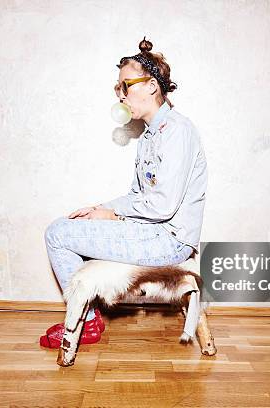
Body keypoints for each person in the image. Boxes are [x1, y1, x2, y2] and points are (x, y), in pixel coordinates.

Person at [40, 38, 208, 348]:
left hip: (168, 240)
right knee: (71, 225)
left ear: (152, 87)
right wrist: (100, 209)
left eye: (125, 86)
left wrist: (113, 214)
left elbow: (162, 206)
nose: (120, 95)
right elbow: (136, 194)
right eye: (118, 88)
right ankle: (86, 314)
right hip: (150, 232)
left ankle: (87, 323)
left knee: (57, 234)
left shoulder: (177, 132)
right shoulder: (149, 137)